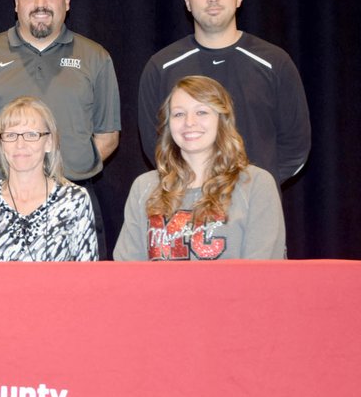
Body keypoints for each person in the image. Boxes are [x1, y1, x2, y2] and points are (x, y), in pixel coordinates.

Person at [0, 0, 120, 255]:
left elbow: (107, 134)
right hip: (0, 201)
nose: (40, 3)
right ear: (16, 3)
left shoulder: (96, 57)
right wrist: (5, 176)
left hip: (74, 200)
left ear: (67, 2)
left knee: (80, 295)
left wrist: (62, 180)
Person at [138, 0, 310, 186]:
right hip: (187, 205)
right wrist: (192, 184)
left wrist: (256, 187)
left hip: (255, 210)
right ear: (187, 2)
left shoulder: (275, 62)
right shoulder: (161, 66)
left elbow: (296, 144)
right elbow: (154, 143)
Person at [114, 76, 285, 261]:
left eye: (201, 112)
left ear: (222, 120)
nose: (189, 122)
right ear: (168, 124)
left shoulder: (256, 184)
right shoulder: (144, 187)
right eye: (179, 114)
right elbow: (127, 271)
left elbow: (263, 276)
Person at [0, 97, 97, 261]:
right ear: (1, 144)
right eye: (11, 135)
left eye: (31, 135)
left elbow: (87, 278)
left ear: (49, 142)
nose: (20, 144)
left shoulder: (75, 200)